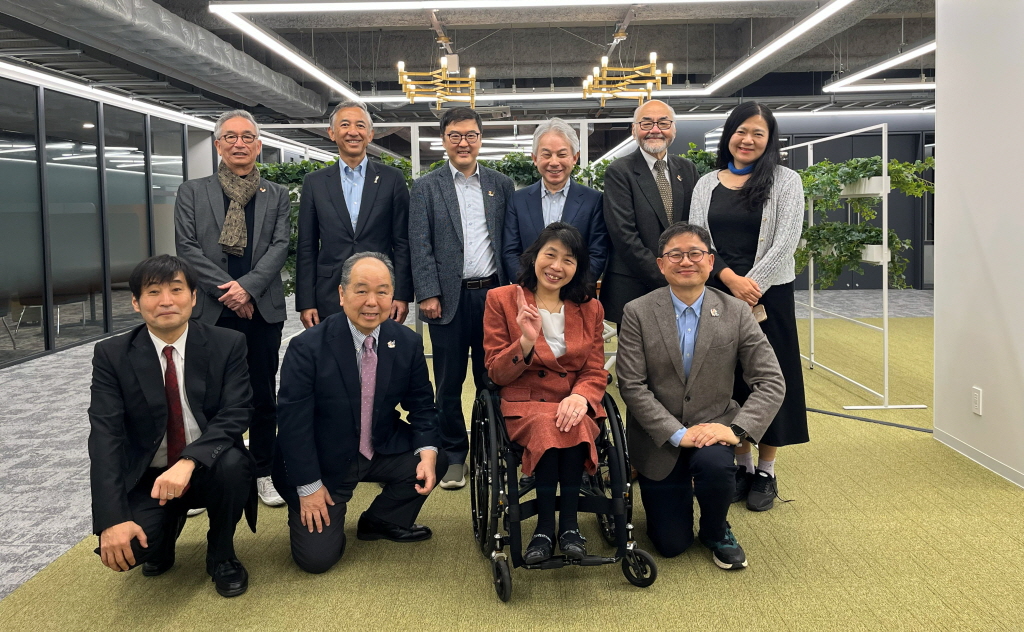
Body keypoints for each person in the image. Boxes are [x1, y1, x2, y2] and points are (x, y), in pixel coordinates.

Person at [617, 223, 785, 570]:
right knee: (670, 545)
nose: (685, 261)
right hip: (659, 438)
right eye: (675, 255)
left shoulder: (736, 311)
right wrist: (677, 433)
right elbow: (631, 384)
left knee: (716, 466)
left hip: (714, 430)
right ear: (661, 264)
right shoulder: (637, 312)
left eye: (695, 253)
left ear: (710, 262)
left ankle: (716, 529)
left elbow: (771, 380)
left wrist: (735, 431)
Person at [88, 255, 256, 597]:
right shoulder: (112, 355)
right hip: (150, 478)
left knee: (233, 464)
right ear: (136, 302)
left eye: (176, 290)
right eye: (153, 292)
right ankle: (165, 530)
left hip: (208, 466)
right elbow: (105, 437)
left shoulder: (227, 343)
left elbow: (237, 412)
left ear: (193, 297)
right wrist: (112, 519)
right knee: (129, 551)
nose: (166, 301)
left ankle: (222, 553)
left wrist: (189, 461)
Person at [273, 252, 447, 574]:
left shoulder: (406, 343)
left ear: (392, 297)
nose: (372, 302)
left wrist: (427, 451)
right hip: (323, 462)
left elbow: (422, 405)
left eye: (382, 291)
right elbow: (293, 426)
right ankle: (319, 515)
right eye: (361, 290)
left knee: (435, 454)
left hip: (378, 447)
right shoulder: (307, 348)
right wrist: (309, 488)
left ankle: (380, 521)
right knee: (317, 559)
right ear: (342, 294)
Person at [688, 101, 809, 511]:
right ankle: (742, 463)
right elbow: (699, 240)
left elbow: (786, 240)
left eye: (758, 133)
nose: (748, 139)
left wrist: (751, 285)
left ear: (770, 139)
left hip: (769, 296)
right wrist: (729, 279)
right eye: (741, 131)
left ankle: (767, 470)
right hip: (719, 293)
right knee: (729, 378)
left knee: (771, 377)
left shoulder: (786, 181)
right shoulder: (706, 184)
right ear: (729, 135)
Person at [174, 109, 290, 508]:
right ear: (218, 145)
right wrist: (230, 292)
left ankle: (262, 471)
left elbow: (279, 246)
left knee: (263, 395)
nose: (239, 143)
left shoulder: (276, 194)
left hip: (261, 311)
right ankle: (208, 474)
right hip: (211, 310)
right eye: (231, 137)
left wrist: (248, 290)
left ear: (259, 145)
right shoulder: (192, 192)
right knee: (209, 398)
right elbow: (187, 248)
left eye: (247, 137)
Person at [484, 223, 608, 563]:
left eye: (568, 260)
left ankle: (567, 526)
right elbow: (496, 372)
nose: (556, 266)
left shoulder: (591, 308)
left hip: (572, 400)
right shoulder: (502, 299)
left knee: (573, 421)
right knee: (549, 426)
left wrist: (581, 396)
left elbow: (595, 368)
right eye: (550, 255)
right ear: (534, 257)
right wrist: (525, 341)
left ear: (578, 267)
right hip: (525, 403)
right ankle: (544, 527)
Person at [408, 106, 515, 490]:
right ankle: (454, 455)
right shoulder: (426, 187)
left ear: (481, 139)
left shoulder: (501, 185)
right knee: (448, 384)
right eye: (455, 135)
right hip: (446, 301)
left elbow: (509, 242)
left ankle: (493, 449)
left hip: (493, 298)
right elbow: (419, 244)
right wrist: (428, 293)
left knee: (494, 379)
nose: (463, 142)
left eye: (471, 135)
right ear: (444, 140)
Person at [295, 99, 413, 328]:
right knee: (333, 349)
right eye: (345, 125)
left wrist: (402, 295)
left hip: (381, 293)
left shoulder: (392, 179)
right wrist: (306, 302)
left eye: (360, 125)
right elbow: (306, 246)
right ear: (331, 133)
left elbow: (403, 242)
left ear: (370, 134)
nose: (353, 132)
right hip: (330, 292)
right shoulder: (315, 183)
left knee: (381, 349)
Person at [601, 99, 699, 326]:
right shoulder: (619, 172)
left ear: (674, 129)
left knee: (684, 346)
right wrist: (667, 275)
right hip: (635, 286)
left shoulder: (687, 169)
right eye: (646, 123)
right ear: (634, 130)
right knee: (636, 349)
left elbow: (695, 226)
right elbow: (624, 236)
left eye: (663, 123)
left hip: (684, 284)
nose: (655, 130)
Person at [501, 118, 609, 284]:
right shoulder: (517, 200)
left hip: (576, 294)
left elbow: (597, 254)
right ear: (535, 158)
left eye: (562, 154)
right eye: (546, 154)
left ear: (575, 157)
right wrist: (533, 290)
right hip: (529, 294)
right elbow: (511, 252)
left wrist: (569, 290)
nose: (554, 162)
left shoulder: (593, 201)